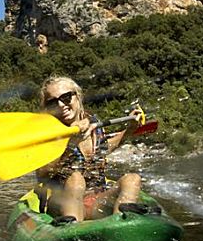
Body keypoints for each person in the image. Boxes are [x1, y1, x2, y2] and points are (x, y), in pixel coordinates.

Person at [32, 76, 145, 223]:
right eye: (52, 102)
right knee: (76, 179)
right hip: (62, 202)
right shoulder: (48, 134)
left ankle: (120, 227)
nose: (60, 105)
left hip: (97, 201)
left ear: (77, 97)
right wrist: (71, 143)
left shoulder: (94, 124)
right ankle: (72, 231)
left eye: (66, 97)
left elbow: (103, 148)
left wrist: (129, 130)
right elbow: (42, 174)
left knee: (132, 179)